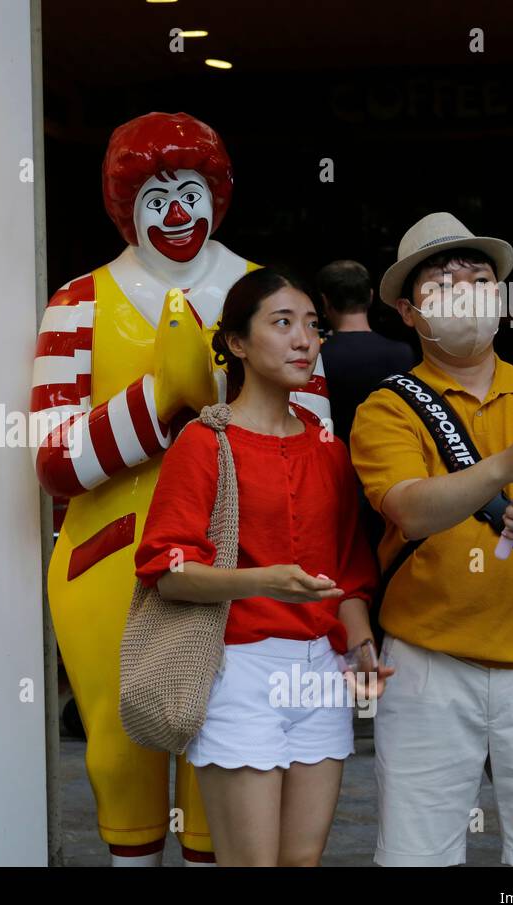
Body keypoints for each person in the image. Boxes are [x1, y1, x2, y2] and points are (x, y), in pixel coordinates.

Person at [29, 113, 330, 866]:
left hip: (248, 566)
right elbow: (54, 459)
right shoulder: (78, 303)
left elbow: (317, 444)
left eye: (189, 191)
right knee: (124, 747)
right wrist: (161, 399)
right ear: (123, 204)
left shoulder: (271, 299)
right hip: (109, 564)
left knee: (228, 759)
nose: (174, 213)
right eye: (155, 193)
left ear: (216, 199)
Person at [349, 211, 513, 866]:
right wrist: (502, 468)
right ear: (409, 313)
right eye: (443, 283)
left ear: (501, 298)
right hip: (426, 664)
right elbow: (410, 510)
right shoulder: (387, 406)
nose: (464, 290)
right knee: (418, 854)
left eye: (477, 278)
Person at [133, 268, 391, 866]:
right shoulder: (203, 442)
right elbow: (166, 569)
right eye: (283, 324)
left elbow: (349, 571)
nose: (305, 339)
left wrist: (361, 644)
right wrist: (267, 580)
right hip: (239, 670)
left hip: (322, 672)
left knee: (302, 863)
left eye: (311, 325)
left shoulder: (329, 447)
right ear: (237, 344)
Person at [315, 259, 415, 445]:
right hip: (392, 455)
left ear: (325, 301)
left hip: (336, 460)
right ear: (370, 296)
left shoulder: (316, 357)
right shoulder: (403, 353)